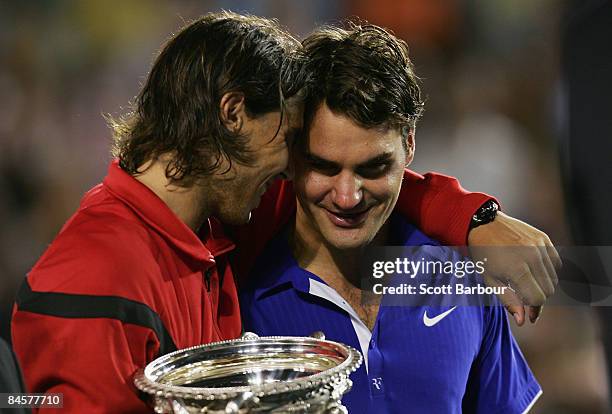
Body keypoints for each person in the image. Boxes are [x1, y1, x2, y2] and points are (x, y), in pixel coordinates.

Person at [11, 11, 557, 413]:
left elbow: (381, 187)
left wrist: (474, 219)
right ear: (233, 115)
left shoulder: (216, 232)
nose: (339, 194)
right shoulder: (95, 275)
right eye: (294, 141)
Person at [241, 23, 543, 413]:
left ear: (410, 144)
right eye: (324, 167)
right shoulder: (240, 296)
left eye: (373, 167)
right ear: (292, 155)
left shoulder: (464, 279)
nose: (347, 198)